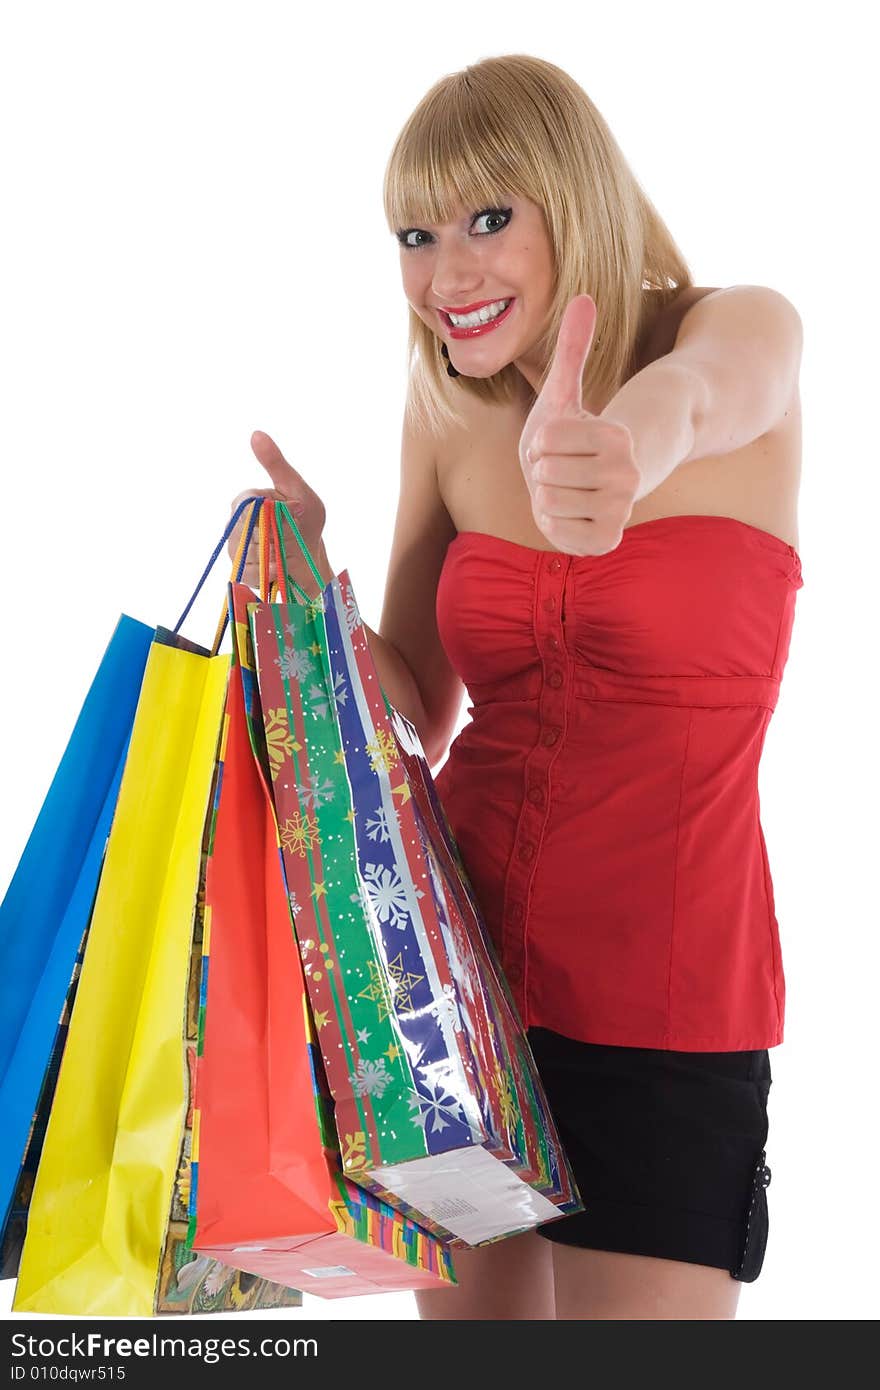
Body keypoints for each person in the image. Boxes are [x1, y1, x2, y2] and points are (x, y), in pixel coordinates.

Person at [228, 54, 804, 1320]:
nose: (449, 273)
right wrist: (309, 601)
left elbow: (705, 395)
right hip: (455, 992)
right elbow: (417, 707)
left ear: (572, 197)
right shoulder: (443, 410)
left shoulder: (736, 329)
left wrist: (623, 445)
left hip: (670, 995)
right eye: (416, 235)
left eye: (492, 219)